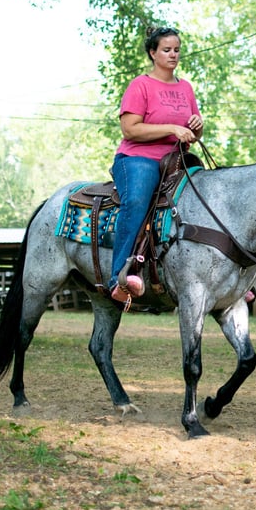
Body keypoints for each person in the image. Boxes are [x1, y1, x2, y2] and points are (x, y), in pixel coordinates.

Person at [108, 26, 204, 303]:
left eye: (176, 50)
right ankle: (120, 278)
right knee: (137, 201)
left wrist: (197, 127)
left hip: (177, 160)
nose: (173, 55)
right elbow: (130, 129)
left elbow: (194, 134)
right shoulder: (141, 85)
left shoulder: (185, 87)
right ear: (153, 53)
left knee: (210, 196)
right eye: (166, 50)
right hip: (139, 158)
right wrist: (172, 127)